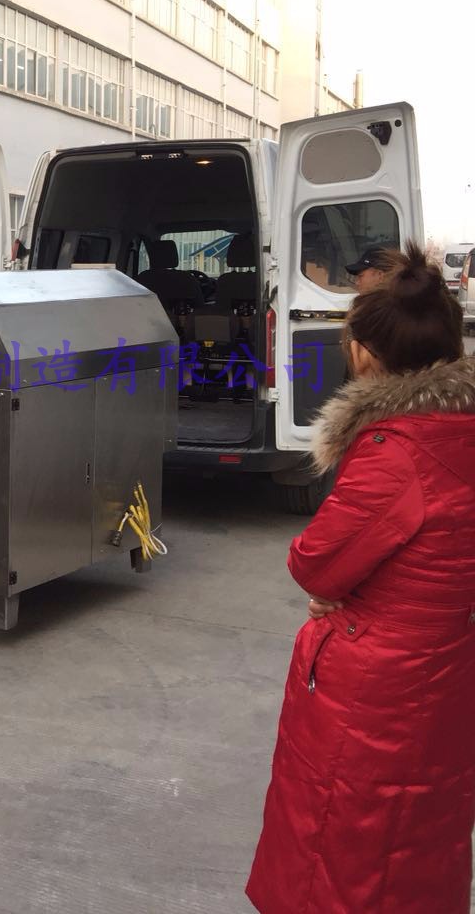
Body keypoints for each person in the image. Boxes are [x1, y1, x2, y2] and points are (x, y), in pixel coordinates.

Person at [247, 241, 475, 913]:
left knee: (343, 840)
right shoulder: (460, 431)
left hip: (379, 686)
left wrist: (340, 595)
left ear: (368, 356)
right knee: (423, 834)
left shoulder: (392, 452)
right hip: (449, 668)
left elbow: (315, 560)